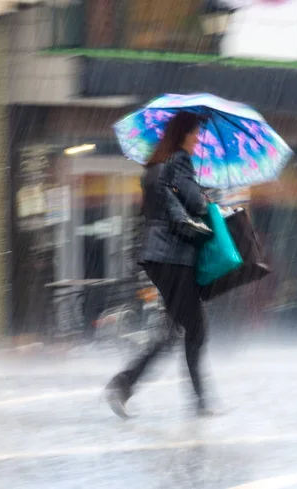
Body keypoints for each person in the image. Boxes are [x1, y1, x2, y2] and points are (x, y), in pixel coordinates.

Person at [104, 110, 217, 418]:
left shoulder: (153, 166)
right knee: (196, 328)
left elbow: (157, 210)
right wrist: (206, 198)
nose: (198, 140)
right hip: (175, 256)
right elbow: (194, 204)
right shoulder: (180, 161)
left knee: (172, 331)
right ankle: (198, 401)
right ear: (183, 134)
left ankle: (126, 384)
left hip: (155, 255)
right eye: (195, 134)